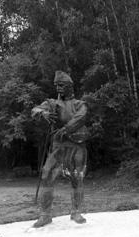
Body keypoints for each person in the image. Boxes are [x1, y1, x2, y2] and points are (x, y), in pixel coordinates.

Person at [32, 70, 89, 227]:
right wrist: (43, 113)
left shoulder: (80, 104)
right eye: (56, 85)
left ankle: (76, 212)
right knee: (46, 175)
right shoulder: (51, 103)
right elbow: (35, 110)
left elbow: (80, 118)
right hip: (58, 148)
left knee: (77, 179)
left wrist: (64, 130)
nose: (58, 88)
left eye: (62, 85)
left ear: (70, 87)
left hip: (76, 147)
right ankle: (45, 215)